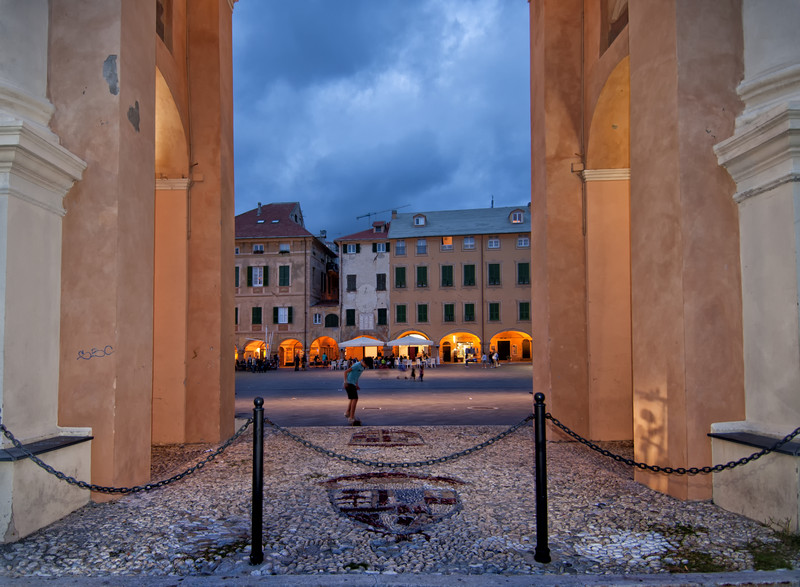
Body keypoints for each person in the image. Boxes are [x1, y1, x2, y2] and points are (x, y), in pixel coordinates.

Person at [343, 358, 367, 424]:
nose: (366, 366)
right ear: (363, 361)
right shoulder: (356, 365)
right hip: (349, 383)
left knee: (352, 398)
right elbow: (345, 372)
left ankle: (348, 413)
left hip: (353, 383)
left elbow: (356, 376)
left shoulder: (362, 367)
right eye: (366, 365)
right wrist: (345, 382)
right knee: (355, 399)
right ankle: (351, 417)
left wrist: (357, 384)